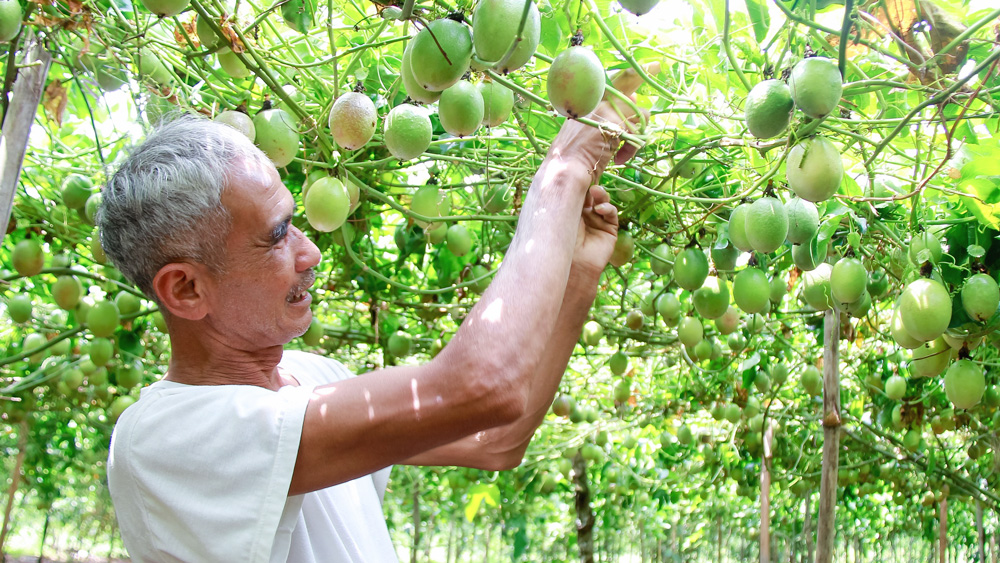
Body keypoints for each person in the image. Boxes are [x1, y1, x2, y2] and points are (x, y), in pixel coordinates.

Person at [99, 70, 644, 562]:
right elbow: (483, 386)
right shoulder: (163, 439)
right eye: (275, 236)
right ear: (187, 289)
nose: (309, 252)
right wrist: (565, 169)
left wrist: (578, 274)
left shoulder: (312, 379)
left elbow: (495, 440)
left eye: (294, 222)